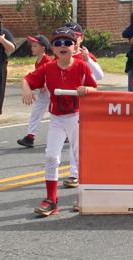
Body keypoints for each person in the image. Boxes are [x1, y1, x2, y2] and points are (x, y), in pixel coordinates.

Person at [22, 27, 97, 217]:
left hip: (76, 116)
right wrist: (27, 89)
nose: (62, 46)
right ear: (53, 49)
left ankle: (84, 196)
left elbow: (94, 89)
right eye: (57, 43)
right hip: (57, 118)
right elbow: (27, 79)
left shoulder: (81, 66)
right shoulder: (48, 68)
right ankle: (51, 200)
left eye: (67, 42)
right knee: (51, 157)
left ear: (75, 46)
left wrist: (85, 90)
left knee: (81, 157)